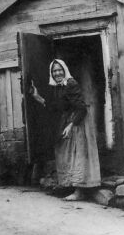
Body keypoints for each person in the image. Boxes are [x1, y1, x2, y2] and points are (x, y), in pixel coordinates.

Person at [29, 59, 101, 200]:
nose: (57, 73)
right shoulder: (58, 87)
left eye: (59, 70)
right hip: (68, 120)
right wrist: (37, 97)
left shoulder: (70, 83)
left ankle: (79, 192)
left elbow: (81, 107)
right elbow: (57, 107)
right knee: (66, 152)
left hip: (78, 122)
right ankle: (72, 187)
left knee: (77, 154)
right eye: (54, 71)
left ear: (65, 70)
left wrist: (71, 125)